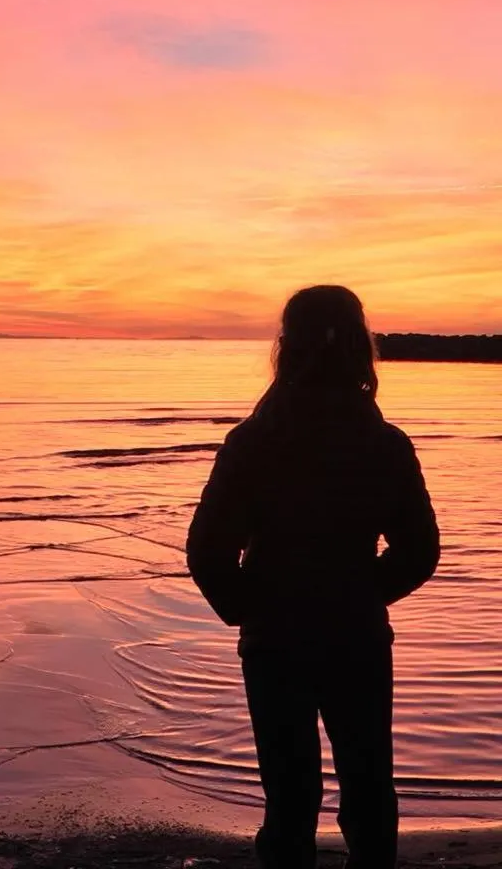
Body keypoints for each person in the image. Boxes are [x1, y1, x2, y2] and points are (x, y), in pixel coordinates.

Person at [185, 285, 440, 869]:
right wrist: (358, 594)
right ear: (360, 347)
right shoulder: (383, 442)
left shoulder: (254, 442)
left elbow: (207, 552)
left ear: (285, 346)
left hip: (278, 638)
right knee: (369, 784)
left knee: (290, 794)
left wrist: (256, 607)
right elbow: (419, 551)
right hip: (355, 634)